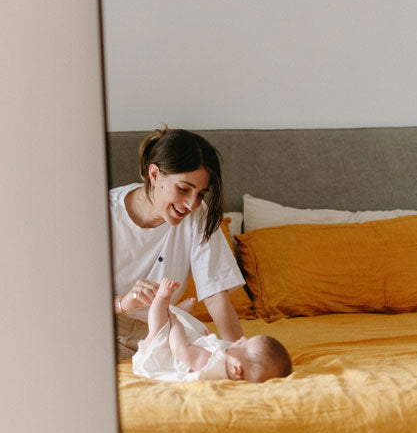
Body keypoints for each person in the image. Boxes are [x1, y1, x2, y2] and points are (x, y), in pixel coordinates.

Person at [110, 126, 246, 360]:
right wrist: (123, 302)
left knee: (203, 365)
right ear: (154, 175)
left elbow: (216, 297)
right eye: (184, 189)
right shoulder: (104, 214)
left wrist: (240, 357)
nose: (192, 204)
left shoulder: (198, 215)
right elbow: (72, 298)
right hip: (106, 329)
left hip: (167, 330)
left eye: (201, 194)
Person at [133, 277, 291, 382]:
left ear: (236, 369)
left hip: (158, 356)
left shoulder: (209, 363)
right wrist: (210, 341)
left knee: (159, 324)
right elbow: (219, 347)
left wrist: (175, 324)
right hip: (187, 351)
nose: (242, 339)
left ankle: (163, 300)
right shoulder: (232, 364)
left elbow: (181, 349)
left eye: (244, 344)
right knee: (200, 331)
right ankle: (178, 312)